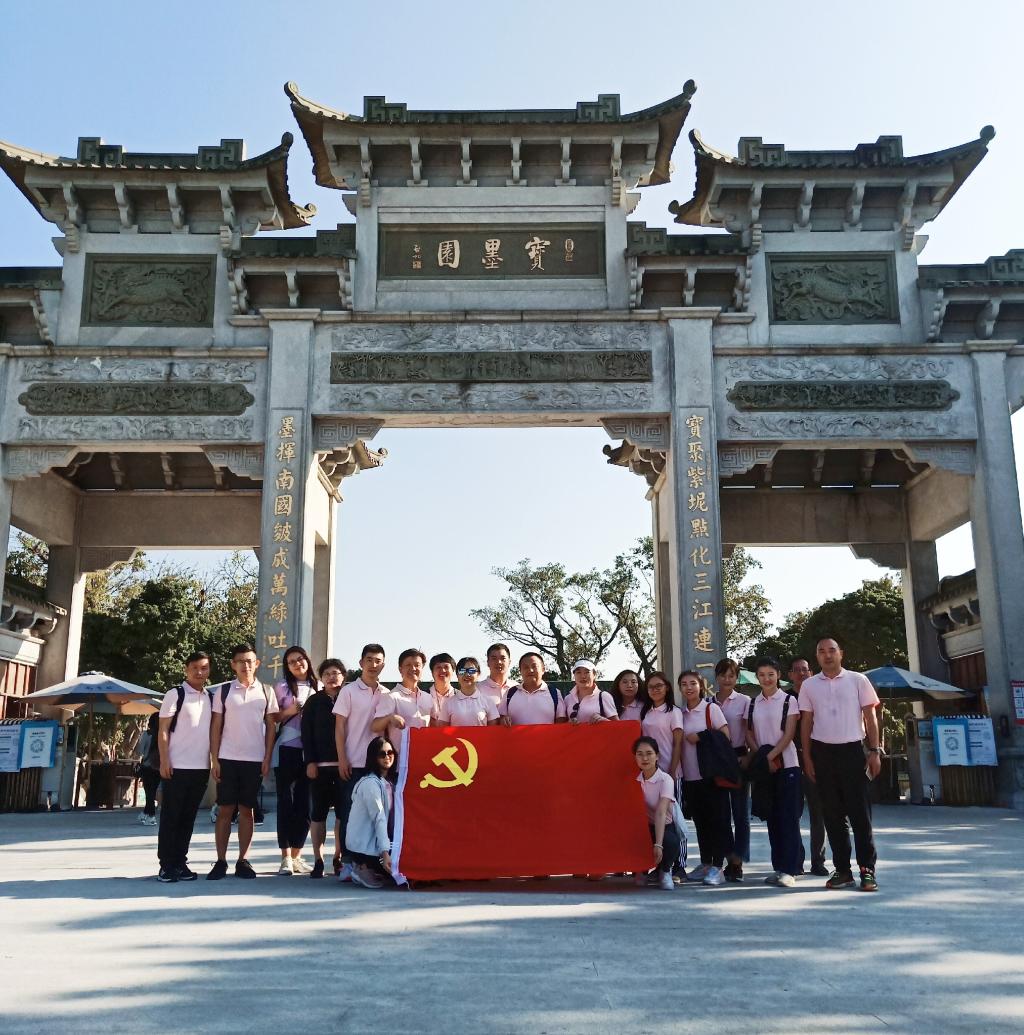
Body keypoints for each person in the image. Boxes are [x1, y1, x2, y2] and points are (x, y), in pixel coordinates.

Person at [799, 638, 882, 892]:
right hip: (822, 753)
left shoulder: (858, 680)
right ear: (816, 656)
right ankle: (843, 870)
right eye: (821, 651)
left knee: (860, 815)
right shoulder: (809, 685)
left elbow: (870, 716)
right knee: (832, 816)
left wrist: (875, 750)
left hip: (853, 751)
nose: (827, 655)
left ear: (841, 654)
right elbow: (806, 722)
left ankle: (867, 870)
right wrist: (807, 757)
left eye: (831, 650)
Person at [207, 644, 278, 880]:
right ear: (233, 664)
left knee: (247, 810)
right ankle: (220, 861)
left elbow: (271, 727)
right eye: (240, 661)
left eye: (249, 661)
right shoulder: (224, 691)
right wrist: (214, 758)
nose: (245, 665)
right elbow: (216, 726)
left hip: (254, 760)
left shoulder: (266, 691)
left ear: (256, 664)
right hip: (227, 758)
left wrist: (267, 757)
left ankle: (243, 860)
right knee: (225, 809)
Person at [155, 652, 213, 882]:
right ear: (186, 669)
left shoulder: (210, 697)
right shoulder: (175, 694)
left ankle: (180, 862)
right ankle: (166, 865)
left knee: (188, 818)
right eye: (195, 667)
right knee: (171, 817)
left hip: (201, 768)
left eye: (204, 668)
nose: (199, 672)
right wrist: (164, 761)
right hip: (176, 766)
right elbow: (163, 730)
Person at [746, 658, 802, 888]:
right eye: (762, 675)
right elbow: (749, 733)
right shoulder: (753, 703)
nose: (766, 679)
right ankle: (778, 867)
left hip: (787, 765)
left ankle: (790, 869)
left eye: (770, 674)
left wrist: (771, 757)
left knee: (788, 818)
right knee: (772, 818)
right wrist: (762, 758)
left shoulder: (789, 700)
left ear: (778, 675)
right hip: (765, 769)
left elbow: (789, 734)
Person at [333, 643, 386, 882]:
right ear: (361, 663)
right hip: (353, 761)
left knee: (375, 815)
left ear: (383, 664)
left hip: (377, 764)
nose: (373, 665)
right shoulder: (349, 691)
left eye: (378, 661)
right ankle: (348, 863)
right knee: (349, 814)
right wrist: (342, 758)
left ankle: (369, 864)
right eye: (369, 660)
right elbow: (339, 726)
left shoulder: (386, 693)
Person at [678, 669, 733, 886]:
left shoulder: (711, 709)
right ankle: (706, 863)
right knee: (700, 823)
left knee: (717, 821)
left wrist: (702, 736)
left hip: (711, 776)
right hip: (690, 777)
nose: (689, 688)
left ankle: (718, 867)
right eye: (684, 684)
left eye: (692, 683)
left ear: (701, 686)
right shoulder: (681, 713)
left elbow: (725, 736)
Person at [272, 645, 317, 876]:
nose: (297, 664)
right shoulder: (281, 687)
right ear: (287, 667)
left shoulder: (318, 686)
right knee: (285, 803)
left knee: (306, 805)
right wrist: (289, 711)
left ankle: (297, 855)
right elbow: (272, 717)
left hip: (311, 752)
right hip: (287, 749)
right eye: (291, 662)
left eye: (300, 659)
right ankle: (285, 857)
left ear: (307, 660)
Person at [302, 658, 347, 879]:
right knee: (318, 815)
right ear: (321, 678)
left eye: (335, 673)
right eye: (327, 673)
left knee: (342, 815)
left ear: (343, 676)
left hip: (344, 766)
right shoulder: (314, 702)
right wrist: (310, 761)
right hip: (319, 767)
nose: (331, 677)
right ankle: (318, 860)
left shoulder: (349, 698)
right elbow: (306, 733)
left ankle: (338, 857)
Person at [789, 656, 828, 876]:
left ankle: (818, 861)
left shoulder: (818, 695)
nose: (801, 674)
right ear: (790, 675)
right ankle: (796, 859)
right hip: (791, 760)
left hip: (817, 759)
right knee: (792, 812)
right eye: (797, 670)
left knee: (818, 812)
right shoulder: (786, 698)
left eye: (805, 670)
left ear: (811, 673)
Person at [714, 658, 750, 882]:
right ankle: (728, 858)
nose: (727, 680)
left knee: (740, 812)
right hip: (718, 761)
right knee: (722, 814)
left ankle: (738, 862)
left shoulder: (745, 701)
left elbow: (750, 731)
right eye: (723, 675)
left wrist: (748, 756)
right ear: (716, 677)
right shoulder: (708, 702)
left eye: (731, 676)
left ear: (737, 678)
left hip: (739, 758)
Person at [345, 735, 398, 890]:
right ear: (373, 757)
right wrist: (385, 853)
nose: (387, 757)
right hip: (364, 849)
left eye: (390, 753)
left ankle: (373, 868)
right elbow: (379, 818)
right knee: (395, 871)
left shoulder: (389, 783)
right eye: (382, 754)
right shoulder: (370, 784)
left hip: (377, 844)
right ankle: (361, 867)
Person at [633, 735, 680, 891]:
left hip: (664, 826)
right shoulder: (634, 780)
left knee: (670, 842)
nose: (645, 758)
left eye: (649, 753)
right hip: (643, 827)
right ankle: (641, 870)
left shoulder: (665, 780)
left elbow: (661, 812)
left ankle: (665, 871)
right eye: (640, 754)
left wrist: (658, 844)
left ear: (657, 756)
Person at [372, 648, 433, 748]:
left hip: (423, 754)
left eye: (417, 665)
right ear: (400, 669)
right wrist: (389, 718)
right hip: (401, 755)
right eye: (408, 665)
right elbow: (375, 726)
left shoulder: (428, 698)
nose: (413, 668)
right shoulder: (391, 696)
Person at [499, 651, 566, 726]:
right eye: (526, 667)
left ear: (543, 669)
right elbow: (500, 719)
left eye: (534, 666)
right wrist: (503, 720)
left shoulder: (555, 693)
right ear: (520, 671)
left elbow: (561, 725)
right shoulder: (509, 693)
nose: (530, 670)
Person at [639, 671, 683, 781]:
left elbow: (678, 744)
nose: (655, 690)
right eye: (651, 687)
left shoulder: (674, 712)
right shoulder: (646, 712)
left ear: (667, 687)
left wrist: (672, 771)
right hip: (650, 770)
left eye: (659, 686)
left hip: (669, 770)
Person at [437, 657, 500, 726]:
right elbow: (442, 729)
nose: (467, 674)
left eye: (471, 671)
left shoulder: (488, 702)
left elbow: (493, 730)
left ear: (478, 674)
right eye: (462, 671)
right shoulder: (448, 703)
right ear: (457, 675)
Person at [137, 711, 162, 826]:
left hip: (147, 766)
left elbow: (140, 751)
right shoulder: (164, 734)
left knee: (149, 792)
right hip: (159, 767)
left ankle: (151, 815)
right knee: (153, 790)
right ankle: (145, 813)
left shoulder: (146, 734)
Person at [477, 642, 514, 712]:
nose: (499, 662)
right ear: (488, 662)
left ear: (509, 662)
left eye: (503, 658)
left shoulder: (517, 688)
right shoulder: (478, 689)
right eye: (494, 658)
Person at [427, 652, 457, 721]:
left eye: (446, 667)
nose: (443, 670)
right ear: (432, 672)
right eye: (438, 667)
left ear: (453, 670)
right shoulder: (423, 697)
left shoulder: (460, 696)